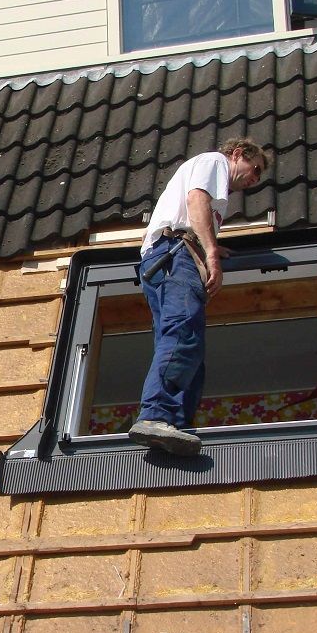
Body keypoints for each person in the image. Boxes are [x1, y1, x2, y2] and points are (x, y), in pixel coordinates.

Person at [128, 138, 270, 456]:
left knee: (182, 341)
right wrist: (211, 255)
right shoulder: (214, 162)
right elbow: (196, 201)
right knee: (183, 333)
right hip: (176, 254)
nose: (255, 178)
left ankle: (173, 425)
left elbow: (191, 215)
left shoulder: (212, 177)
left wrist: (211, 245)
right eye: (255, 168)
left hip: (166, 257)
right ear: (237, 154)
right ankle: (156, 416)